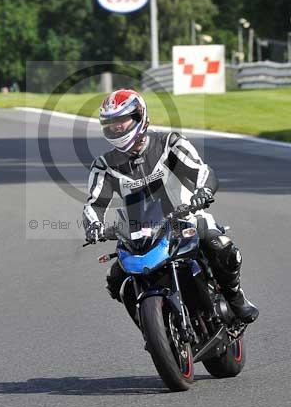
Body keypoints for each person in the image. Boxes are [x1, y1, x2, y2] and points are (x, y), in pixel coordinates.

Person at [82, 89, 259, 323]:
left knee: (219, 245)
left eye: (122, 120)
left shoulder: (169, 143)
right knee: (115, 281)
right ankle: (151, 329)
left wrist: (203, 191)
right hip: (139, 232)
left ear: (139, 117)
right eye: (112, 123)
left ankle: (236, 296)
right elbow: (94, 204)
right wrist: (94, 225)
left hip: (185, 217)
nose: (117, 127)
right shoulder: (105, 166)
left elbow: (201, 170)